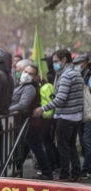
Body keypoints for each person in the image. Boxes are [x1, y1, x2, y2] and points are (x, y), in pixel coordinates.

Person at [33, 49, 85, 182]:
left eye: (56, 61)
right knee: (71, 146)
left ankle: (64, 175)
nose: (54, 64)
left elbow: (61, 98)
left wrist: (43, 108)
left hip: (66, 117)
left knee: (63, 147)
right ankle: (75, 174)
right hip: (75, 116)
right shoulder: (76, 73)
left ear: (64, 60)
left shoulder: (67, 75)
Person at [8, 64, 54, 180]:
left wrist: (6, 110)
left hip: (32, 123)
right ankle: (16, 168)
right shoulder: (22, 85)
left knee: (36, 147)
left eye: (31, 73)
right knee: (26, 146)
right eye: (26, 71)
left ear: (35, 76)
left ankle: (47, 173)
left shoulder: (30, 87)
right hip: (29, 122)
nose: (26, 75)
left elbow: (23, 104)